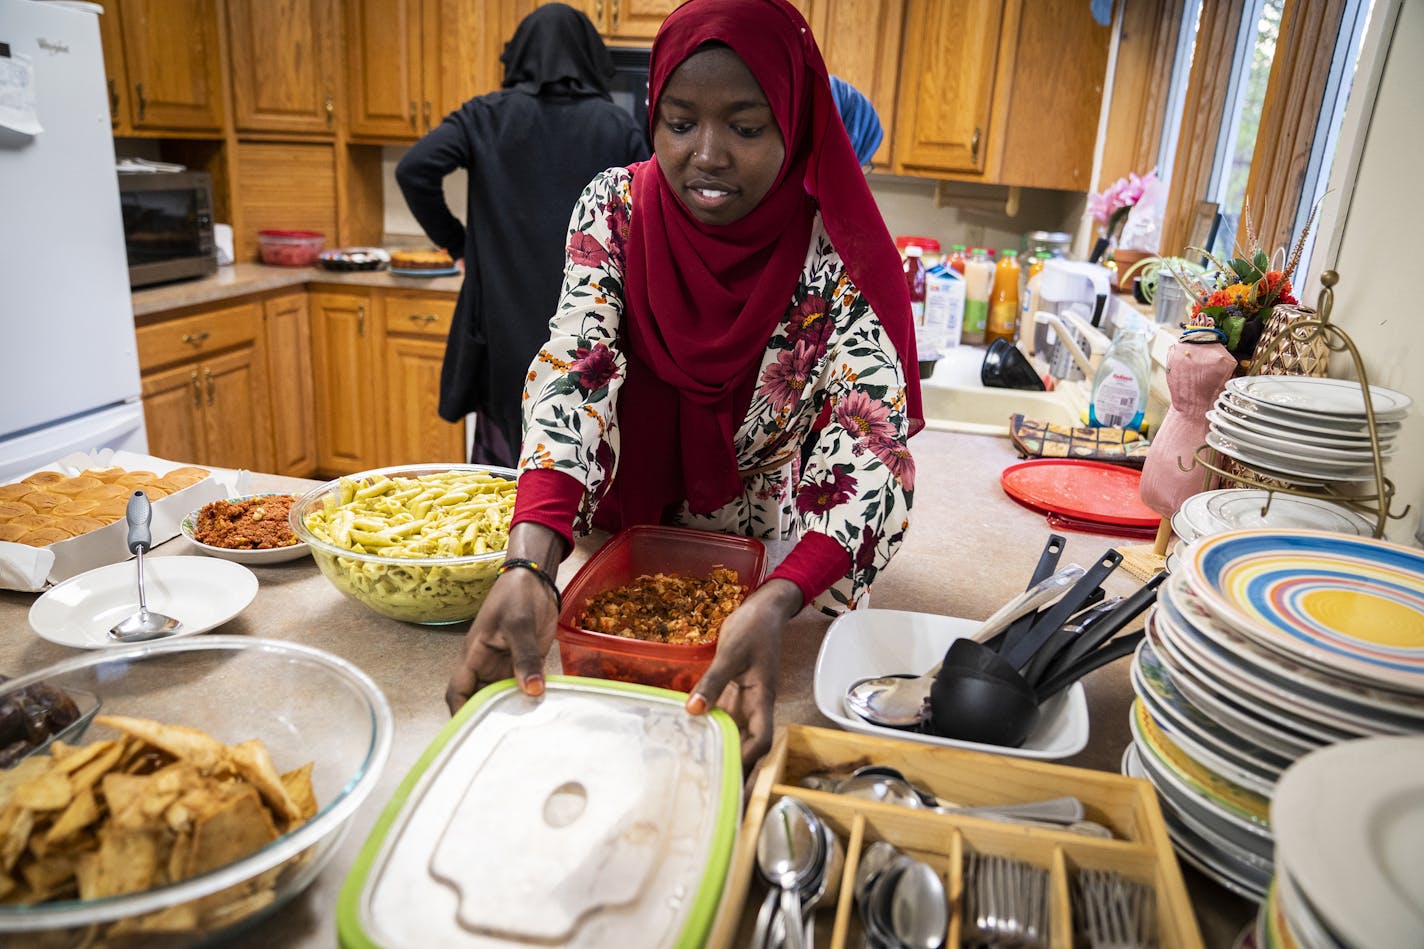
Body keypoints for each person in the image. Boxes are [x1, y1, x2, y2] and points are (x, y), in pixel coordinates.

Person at [445, 0, 923, 769]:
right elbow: (576, 370)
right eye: (679, 122)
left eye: (745, 126)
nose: (707, 154)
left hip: (764, 552)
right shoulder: (614, 209)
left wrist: (777, 598)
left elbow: (871, 446)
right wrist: (530, 561)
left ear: (795, 125)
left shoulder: (838, 253)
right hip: (608, 534)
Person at [395, 3, 649, 468]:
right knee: (578, 455)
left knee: (501, 476)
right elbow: (651, 216)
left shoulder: (485, 116)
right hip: (588, 331)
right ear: (590, 58)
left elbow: (415, 169)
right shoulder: (617, 125)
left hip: (500, 331)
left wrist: (458, 244)